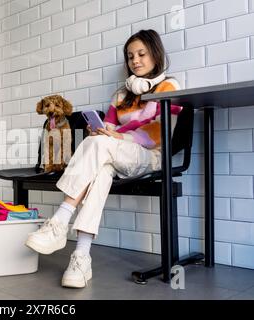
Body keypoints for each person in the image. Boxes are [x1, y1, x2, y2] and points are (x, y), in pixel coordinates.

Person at [25, 29, 183, 288]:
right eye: (130, 56)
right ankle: (81, 257)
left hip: (152, 156)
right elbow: (108, 126)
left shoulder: (169, 86)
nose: (135, 61)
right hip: (116, 155)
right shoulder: (121, 95)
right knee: (100, 168)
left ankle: (59, 222)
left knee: (100, 146)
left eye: (142, 54)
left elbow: (160, 133)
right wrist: (98, 131)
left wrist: (115, 138)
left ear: (156, 54)